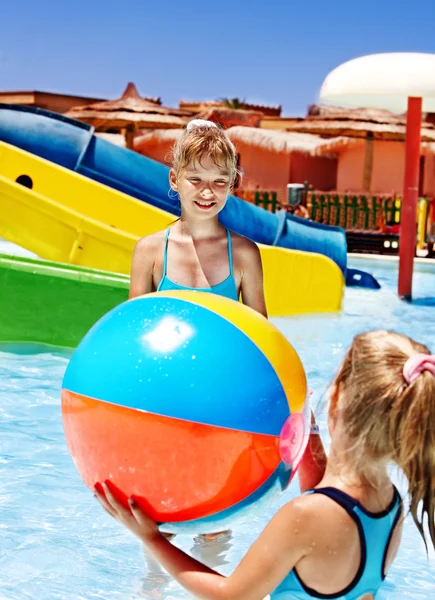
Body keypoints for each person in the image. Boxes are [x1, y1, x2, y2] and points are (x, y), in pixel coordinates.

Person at [95, 330, 435, 599]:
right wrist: (306, 426)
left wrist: (154, 540)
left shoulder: (305, 516)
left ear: (337, 399)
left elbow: (232, 596)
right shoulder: (389, 503)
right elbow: (326, 496)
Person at [128, 119, 267, 319]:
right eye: (195, 179)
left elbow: (260, 336)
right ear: (174, 180)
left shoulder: (244, 254)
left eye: (219, 181)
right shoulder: (149, 251)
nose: (207, 192)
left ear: (231, 184)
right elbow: (134, 326)